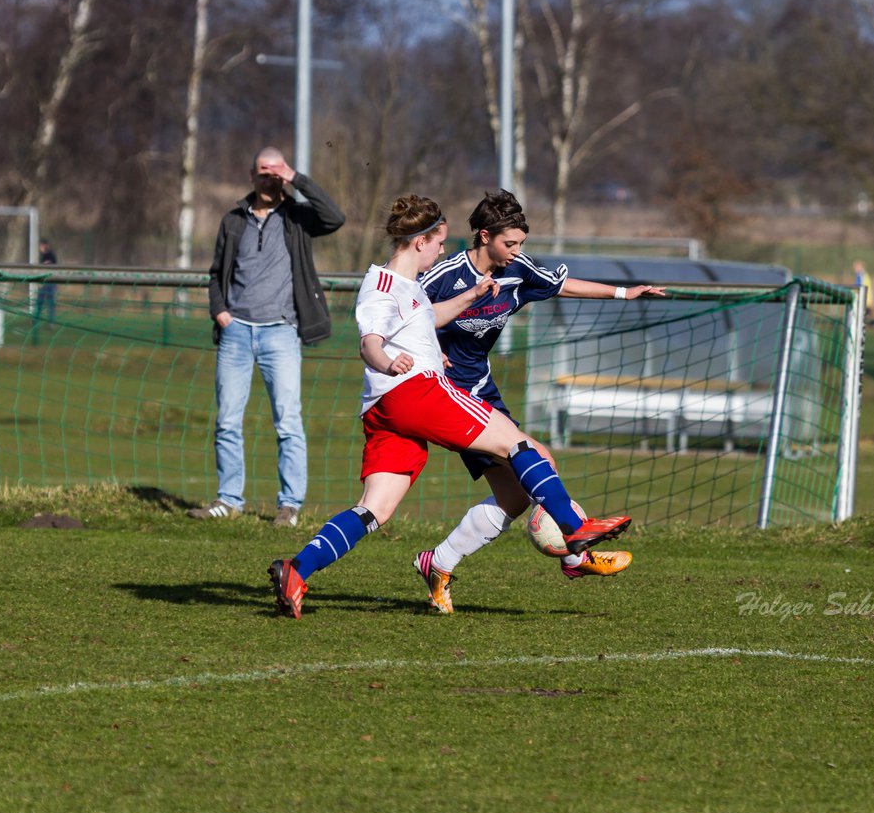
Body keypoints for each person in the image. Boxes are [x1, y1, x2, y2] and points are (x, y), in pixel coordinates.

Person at [267, 194, 632, 619]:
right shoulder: (383, 290)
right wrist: (388, 359)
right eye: (439, 241)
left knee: (375, 509)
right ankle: (575, 533)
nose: (444, 249)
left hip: (385, 409)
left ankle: (297, 570)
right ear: (420, 242)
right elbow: (369, 341)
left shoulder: (402, 284)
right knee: (519, 445)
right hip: (417, 393)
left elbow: (427, 318)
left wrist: (470, 297)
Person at [411, 189, 665, 613]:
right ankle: (575, 555)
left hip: (482, 390)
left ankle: (437, 563)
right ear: (484, 236)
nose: (516, 252)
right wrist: (425, 347)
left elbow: (561, 284)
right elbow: (405, 310)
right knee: (537, 455)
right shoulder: (445, 275)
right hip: (446, 393)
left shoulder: (516, 270)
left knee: (513, 498)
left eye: (521, 244)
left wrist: (624, 293)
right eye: (510, 244)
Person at [187, 146, 344, 527]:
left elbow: (335, 217)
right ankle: (228, 499)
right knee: (227, 420)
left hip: (282, 332)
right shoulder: (233, 219)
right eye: (263, 171)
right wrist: (220, 312)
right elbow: (215, 273)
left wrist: (296, 178)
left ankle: (289, 505)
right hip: (236, 331)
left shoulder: (298, 217)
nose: (269, 177)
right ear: (252, 175)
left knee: (288, 421)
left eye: (276, 171)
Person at [852, 259, 874, 326]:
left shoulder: (860, 275)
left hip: (864, 301)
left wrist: (852, 293)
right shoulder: (865, 275)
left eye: (855, 267)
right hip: (867, 301)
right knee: (864, 319)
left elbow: (858, 287)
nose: (854, 269)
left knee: (861, 320)